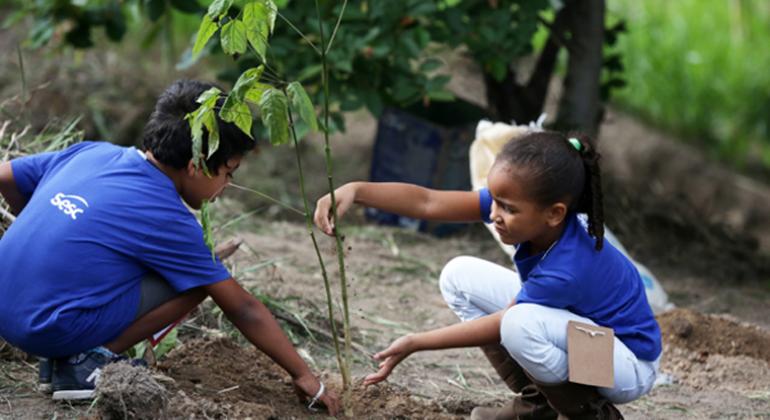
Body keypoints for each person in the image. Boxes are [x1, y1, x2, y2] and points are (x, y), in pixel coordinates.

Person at [0, 80, 339, 415]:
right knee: (199, 283)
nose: (227, 186)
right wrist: (304, 374)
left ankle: (61, 356)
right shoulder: (167, 216)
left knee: (182, 269)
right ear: (196, 167)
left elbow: (6, 176)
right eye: (228, 172)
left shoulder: (92, 152)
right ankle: (86, 359)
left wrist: (36, 225)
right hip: (45, 328)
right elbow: (243, 309)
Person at [314, 131, 661, 419]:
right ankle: (538, 404)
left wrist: (416, 342)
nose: (494, 214)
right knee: (459, 276)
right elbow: (427, 203)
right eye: (494, 200)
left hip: (624, 366)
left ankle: (588, 414)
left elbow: (505, 322)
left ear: (555, 213)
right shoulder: (530, 213)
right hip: (584, 335)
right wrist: (357, 191)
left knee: (519, 324)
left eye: (508, 208)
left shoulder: (568, 266)